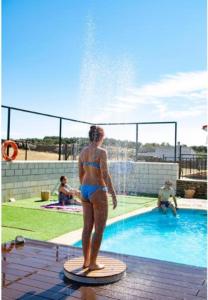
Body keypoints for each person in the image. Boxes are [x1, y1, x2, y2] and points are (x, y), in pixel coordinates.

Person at [79, 125, 117, 271]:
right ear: (100, 137)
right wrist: (113, 194)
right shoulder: (102, 152)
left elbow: (80, 173)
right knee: (99, 229)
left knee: (86, 228)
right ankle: (93, 264)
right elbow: (105, 175)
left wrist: (83, 189)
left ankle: (86, 261)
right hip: (97, 190)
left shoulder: (83, 151)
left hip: (85, 190)